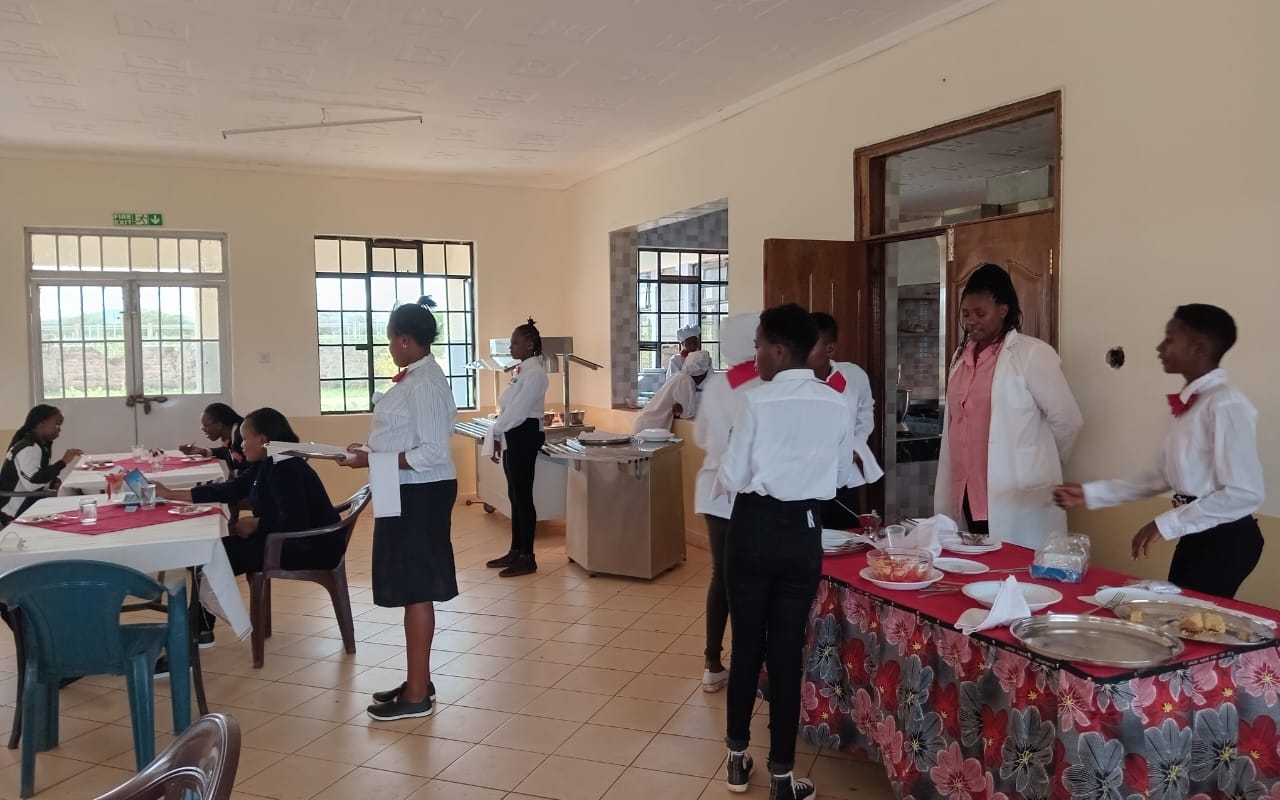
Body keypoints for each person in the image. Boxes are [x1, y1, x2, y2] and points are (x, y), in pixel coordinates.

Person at [716, 303, 854, 800]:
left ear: (778, 350)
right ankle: (781, 777)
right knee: (786, 653)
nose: (754, 356)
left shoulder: (755, 401)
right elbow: (841, 476)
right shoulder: (836, 402)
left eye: (758, 346)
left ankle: (736, 759)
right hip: (803, 533)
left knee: (746, 647)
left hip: (752, 529)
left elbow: (733, 475)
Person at [1054, 305, 1264, 599]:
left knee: (1188, 616)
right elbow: (1160, 477)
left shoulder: (1226, 404)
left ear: (1198, 348)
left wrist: (1164, 524)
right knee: (1176, 610)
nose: (1160, 347)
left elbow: (1245, 493)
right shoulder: (1193, 405)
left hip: (1226, 537)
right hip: (1197, 530)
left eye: (1170, 339)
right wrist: (1091, 493)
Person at [342, 296, 458, 721]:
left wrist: (373, 460)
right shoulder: (418, 378)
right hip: (406, 490)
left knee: (417, 588)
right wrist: (371, 452)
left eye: (391, 340)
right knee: (411, 586)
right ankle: (417, 680)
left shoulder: (423, 383)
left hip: (421, 494)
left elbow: (432, 452)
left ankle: (417, 696)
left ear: (405, 340)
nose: (390, 347)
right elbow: (406, 436)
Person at [156, 408, 340, 646]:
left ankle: (195, 630)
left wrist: (257, 523)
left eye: (244, 439)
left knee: (212, 557)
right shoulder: (268, 461)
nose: (240, 445)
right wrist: (171, 494)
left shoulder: (285, 466)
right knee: (206, 552)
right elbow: (231, 489)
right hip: (283, 539)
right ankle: (199, 629)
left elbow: (295, 521)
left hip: (309, 546)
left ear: (262, 439)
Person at [933, 263, 1083, 549]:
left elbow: (1067, 420)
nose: (971, 321)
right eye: (966, 313)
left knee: (1013, 566)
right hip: (965, 490)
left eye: (980, 313)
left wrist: (1039, 461)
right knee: (971, 562)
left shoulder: (1032, 354)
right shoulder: (960, 358)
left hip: (1014, 490)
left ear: (1002, 310)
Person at [692, 312, 760, 693]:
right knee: (750, 581)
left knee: (721, 576)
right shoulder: (764, 385)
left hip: (712, 491)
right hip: (748, 494)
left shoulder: (719, 383)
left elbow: (701, 436)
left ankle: (712, 663)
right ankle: (751, 664)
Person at [484, 318, 549, 578]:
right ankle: (515, 550)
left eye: (515, 342)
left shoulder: (535, 374)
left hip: (524, 433)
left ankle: (528, 556)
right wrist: (499, 430)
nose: (511, 347)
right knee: (514, 494)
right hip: (513, 433)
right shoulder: (520, 371)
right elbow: (508, 406)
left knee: (523, 496)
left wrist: (498, 429)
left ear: (530, 345)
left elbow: (520, 411)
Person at [808, 312, 883, 527]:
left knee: (847, 534)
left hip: (845, 477)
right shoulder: (793, 384)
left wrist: (855, 446)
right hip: (808, 478)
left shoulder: (854, 376)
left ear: (829, 349)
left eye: (808, 346)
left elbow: (866, 412)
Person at [0, 405, 80, 524]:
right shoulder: (29, 447)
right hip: (14, 509)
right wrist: (63, 462)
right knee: (72, 509)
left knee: (73, 496)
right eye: (56, 424)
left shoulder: (39, 445)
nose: (59, 429)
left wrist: (53, 482)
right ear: (41, 423)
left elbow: (38, 474)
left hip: (27, 501)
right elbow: (33, 482)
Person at [633, 350, 712, 432]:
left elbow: (680, 409)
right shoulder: (685, 380)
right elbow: (686, 414)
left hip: (648, 424)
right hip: (651, 427)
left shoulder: (679, 376)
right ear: (703, 372)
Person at [180, 403, 246, 473]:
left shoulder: (242, 438)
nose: (203, 429)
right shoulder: (230, 435)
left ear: (219, 425)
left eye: (205, 426)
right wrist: (202, 451)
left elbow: (249, 469)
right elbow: (226, 452)